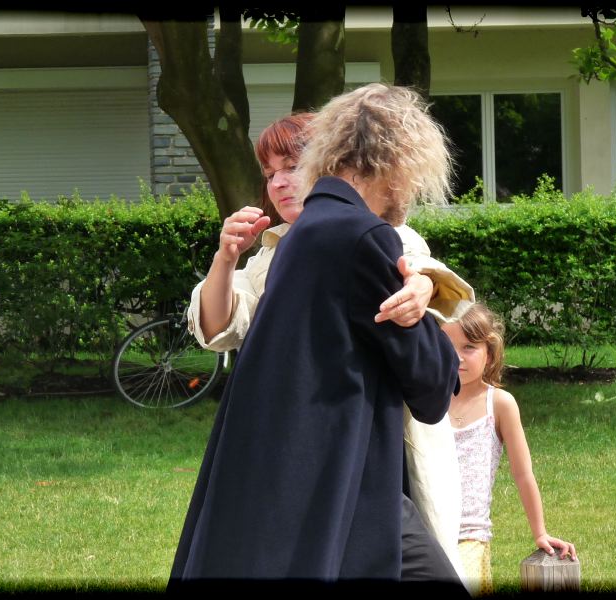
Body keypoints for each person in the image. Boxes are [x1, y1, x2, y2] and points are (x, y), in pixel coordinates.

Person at [168, 83, 465, 583]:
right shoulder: (347, 235)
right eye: (270, 174)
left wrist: (423, 287)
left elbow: (419, 266)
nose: (279, 182)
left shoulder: (305, 236)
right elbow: (433, 387)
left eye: (288, 167)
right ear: (398, 163)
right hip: (338, 478)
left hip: (318, 472)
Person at [441, 302, 577, 595]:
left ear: (489, 354)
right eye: (447, 346)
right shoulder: (424, 402)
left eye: (469, 347)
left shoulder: (500, 404)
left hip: (469, 536)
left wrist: (540, 532)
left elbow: (523, 474)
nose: (457, 357)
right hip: (427, 531)